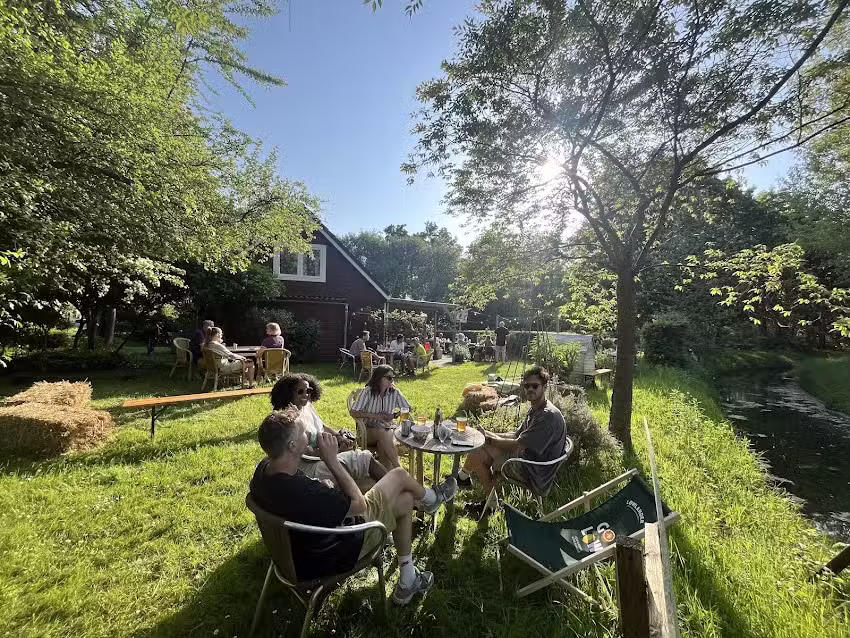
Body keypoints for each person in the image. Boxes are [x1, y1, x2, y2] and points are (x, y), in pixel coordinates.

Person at [250, 407, 457, 604]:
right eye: (303, 433)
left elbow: (303, 499)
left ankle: (407, 580)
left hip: (299, 553)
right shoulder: (307, 493)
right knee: (399, 476)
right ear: (292, 446)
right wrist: (332, 461)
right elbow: (359, 505)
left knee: (404, 501)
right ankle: (431, 499)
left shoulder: (263, 471)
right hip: (336, 551)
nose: (308, 435)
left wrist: (322, 486)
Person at [459, 366, 566, 517]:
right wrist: (487, 434)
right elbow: (516, 435)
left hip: (535, 471)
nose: (530, 389)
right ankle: (481, 496)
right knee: (481, 451)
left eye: (535, 386)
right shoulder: (536, 409)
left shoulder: (546, 416)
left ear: (544, 386)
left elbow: (517, 444)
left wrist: (489, 440)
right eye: (526, 385)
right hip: (529, 457)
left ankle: (470, 485)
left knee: (481, 453)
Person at [271, 373, 387, 486]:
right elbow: (305, 454)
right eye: (300, 391)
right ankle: (395, 486)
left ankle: (392, 488)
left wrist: (338, 437)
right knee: (365, 459)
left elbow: (322, 426)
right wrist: (336, 451)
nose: (306, 395)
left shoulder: (307, 406)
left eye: (308, 390)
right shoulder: (291, 420)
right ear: (288, 394)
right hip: (313, 466)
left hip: (326, 454)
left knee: (365, 460)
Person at [349, 364, 411, 468]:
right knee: (384, 433)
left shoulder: (394, 392)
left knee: (383, 445)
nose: (392, 381)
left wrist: (394, 415)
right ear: (379, 378)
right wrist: (374, 416)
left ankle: (387, 476)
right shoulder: (368, 392)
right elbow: (353, 412)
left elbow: (408, 408)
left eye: (393, 378)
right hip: (368, 430)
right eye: (389, 378)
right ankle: (399, 470)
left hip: (388, 428)